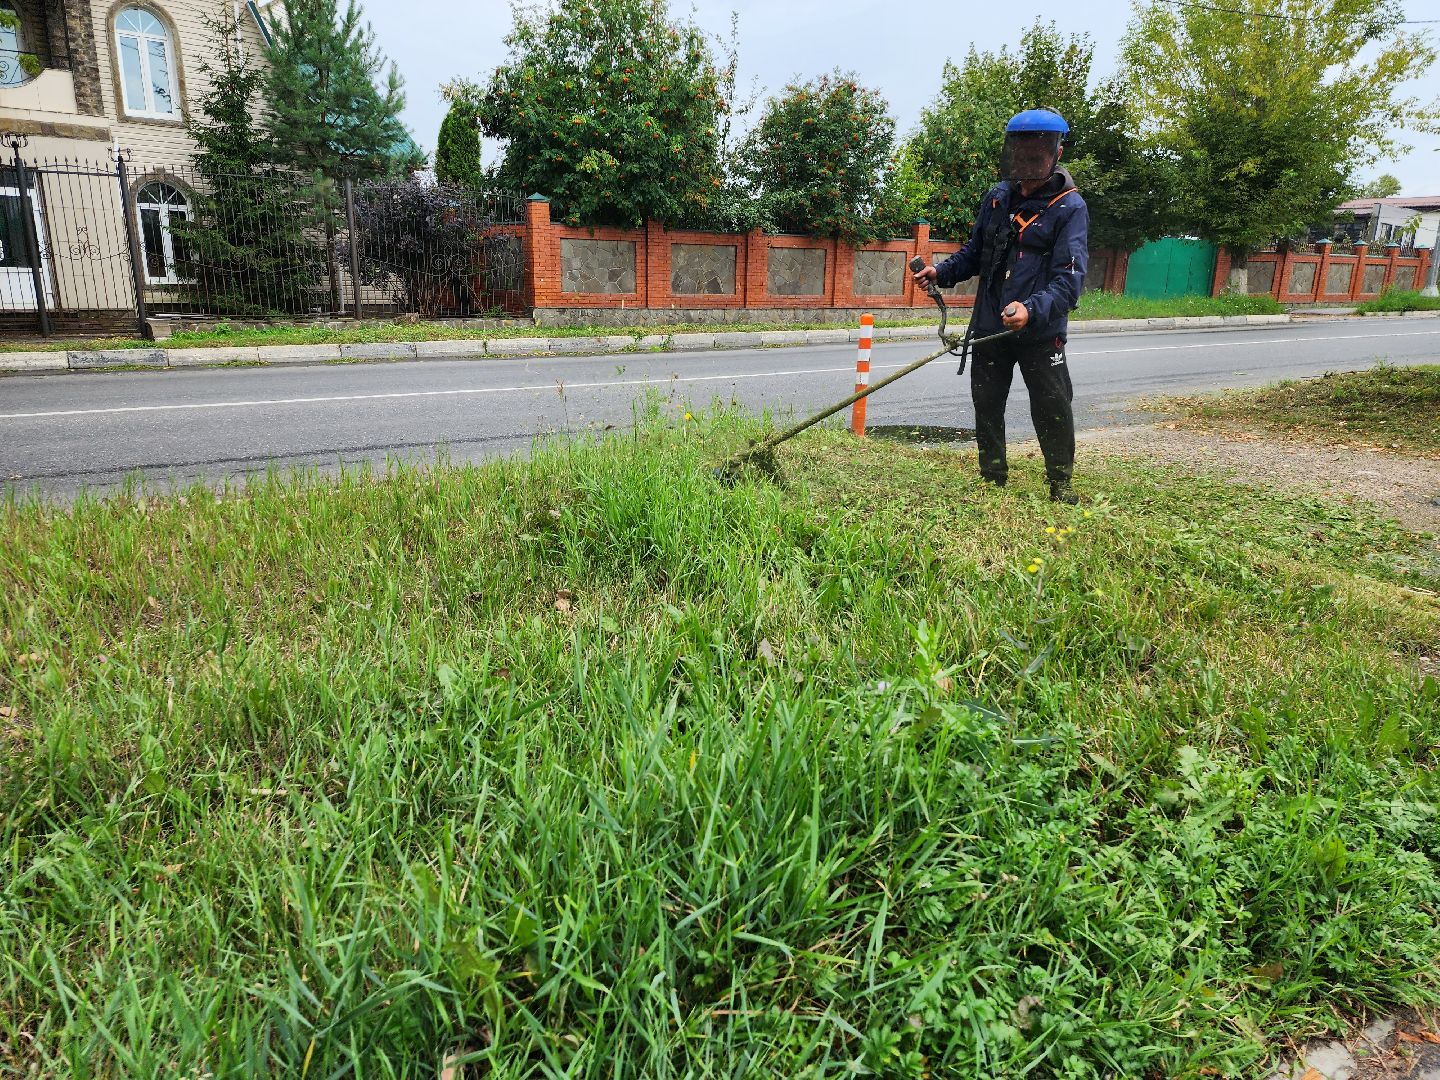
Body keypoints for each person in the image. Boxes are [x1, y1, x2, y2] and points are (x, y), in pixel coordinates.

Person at [912, 108, 1089, 503]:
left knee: (1052, 405)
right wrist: (942, 272)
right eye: (1021, 154)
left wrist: (1030, 308)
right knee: (987, 402)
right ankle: (992, 478)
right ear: (1012, 152)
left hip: (1039, 331)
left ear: (1055, 154)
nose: (1026, 162)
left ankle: (1060, 484)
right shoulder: (997, 197)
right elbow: (976, 252)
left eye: (1036, 156)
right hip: (991, 325)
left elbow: (1069, 280)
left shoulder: (1069, 208)